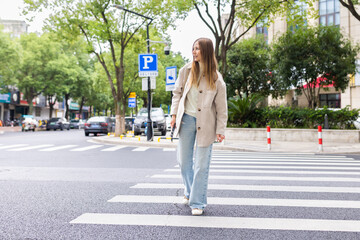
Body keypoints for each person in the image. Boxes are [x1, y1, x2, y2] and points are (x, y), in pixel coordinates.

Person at [170, 38, 228, 216]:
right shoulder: (186, 71)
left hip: (207, 124)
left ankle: (198, 202)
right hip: (186, 119)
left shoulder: (216, 78)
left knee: (202, 165)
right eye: (193, 48)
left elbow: (221, 107)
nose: (194, 52)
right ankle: (189, 191)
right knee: (183, 161)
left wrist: (220, 130)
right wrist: (173, 115)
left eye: (198, 49)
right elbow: (177, 93)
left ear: (207, 52)